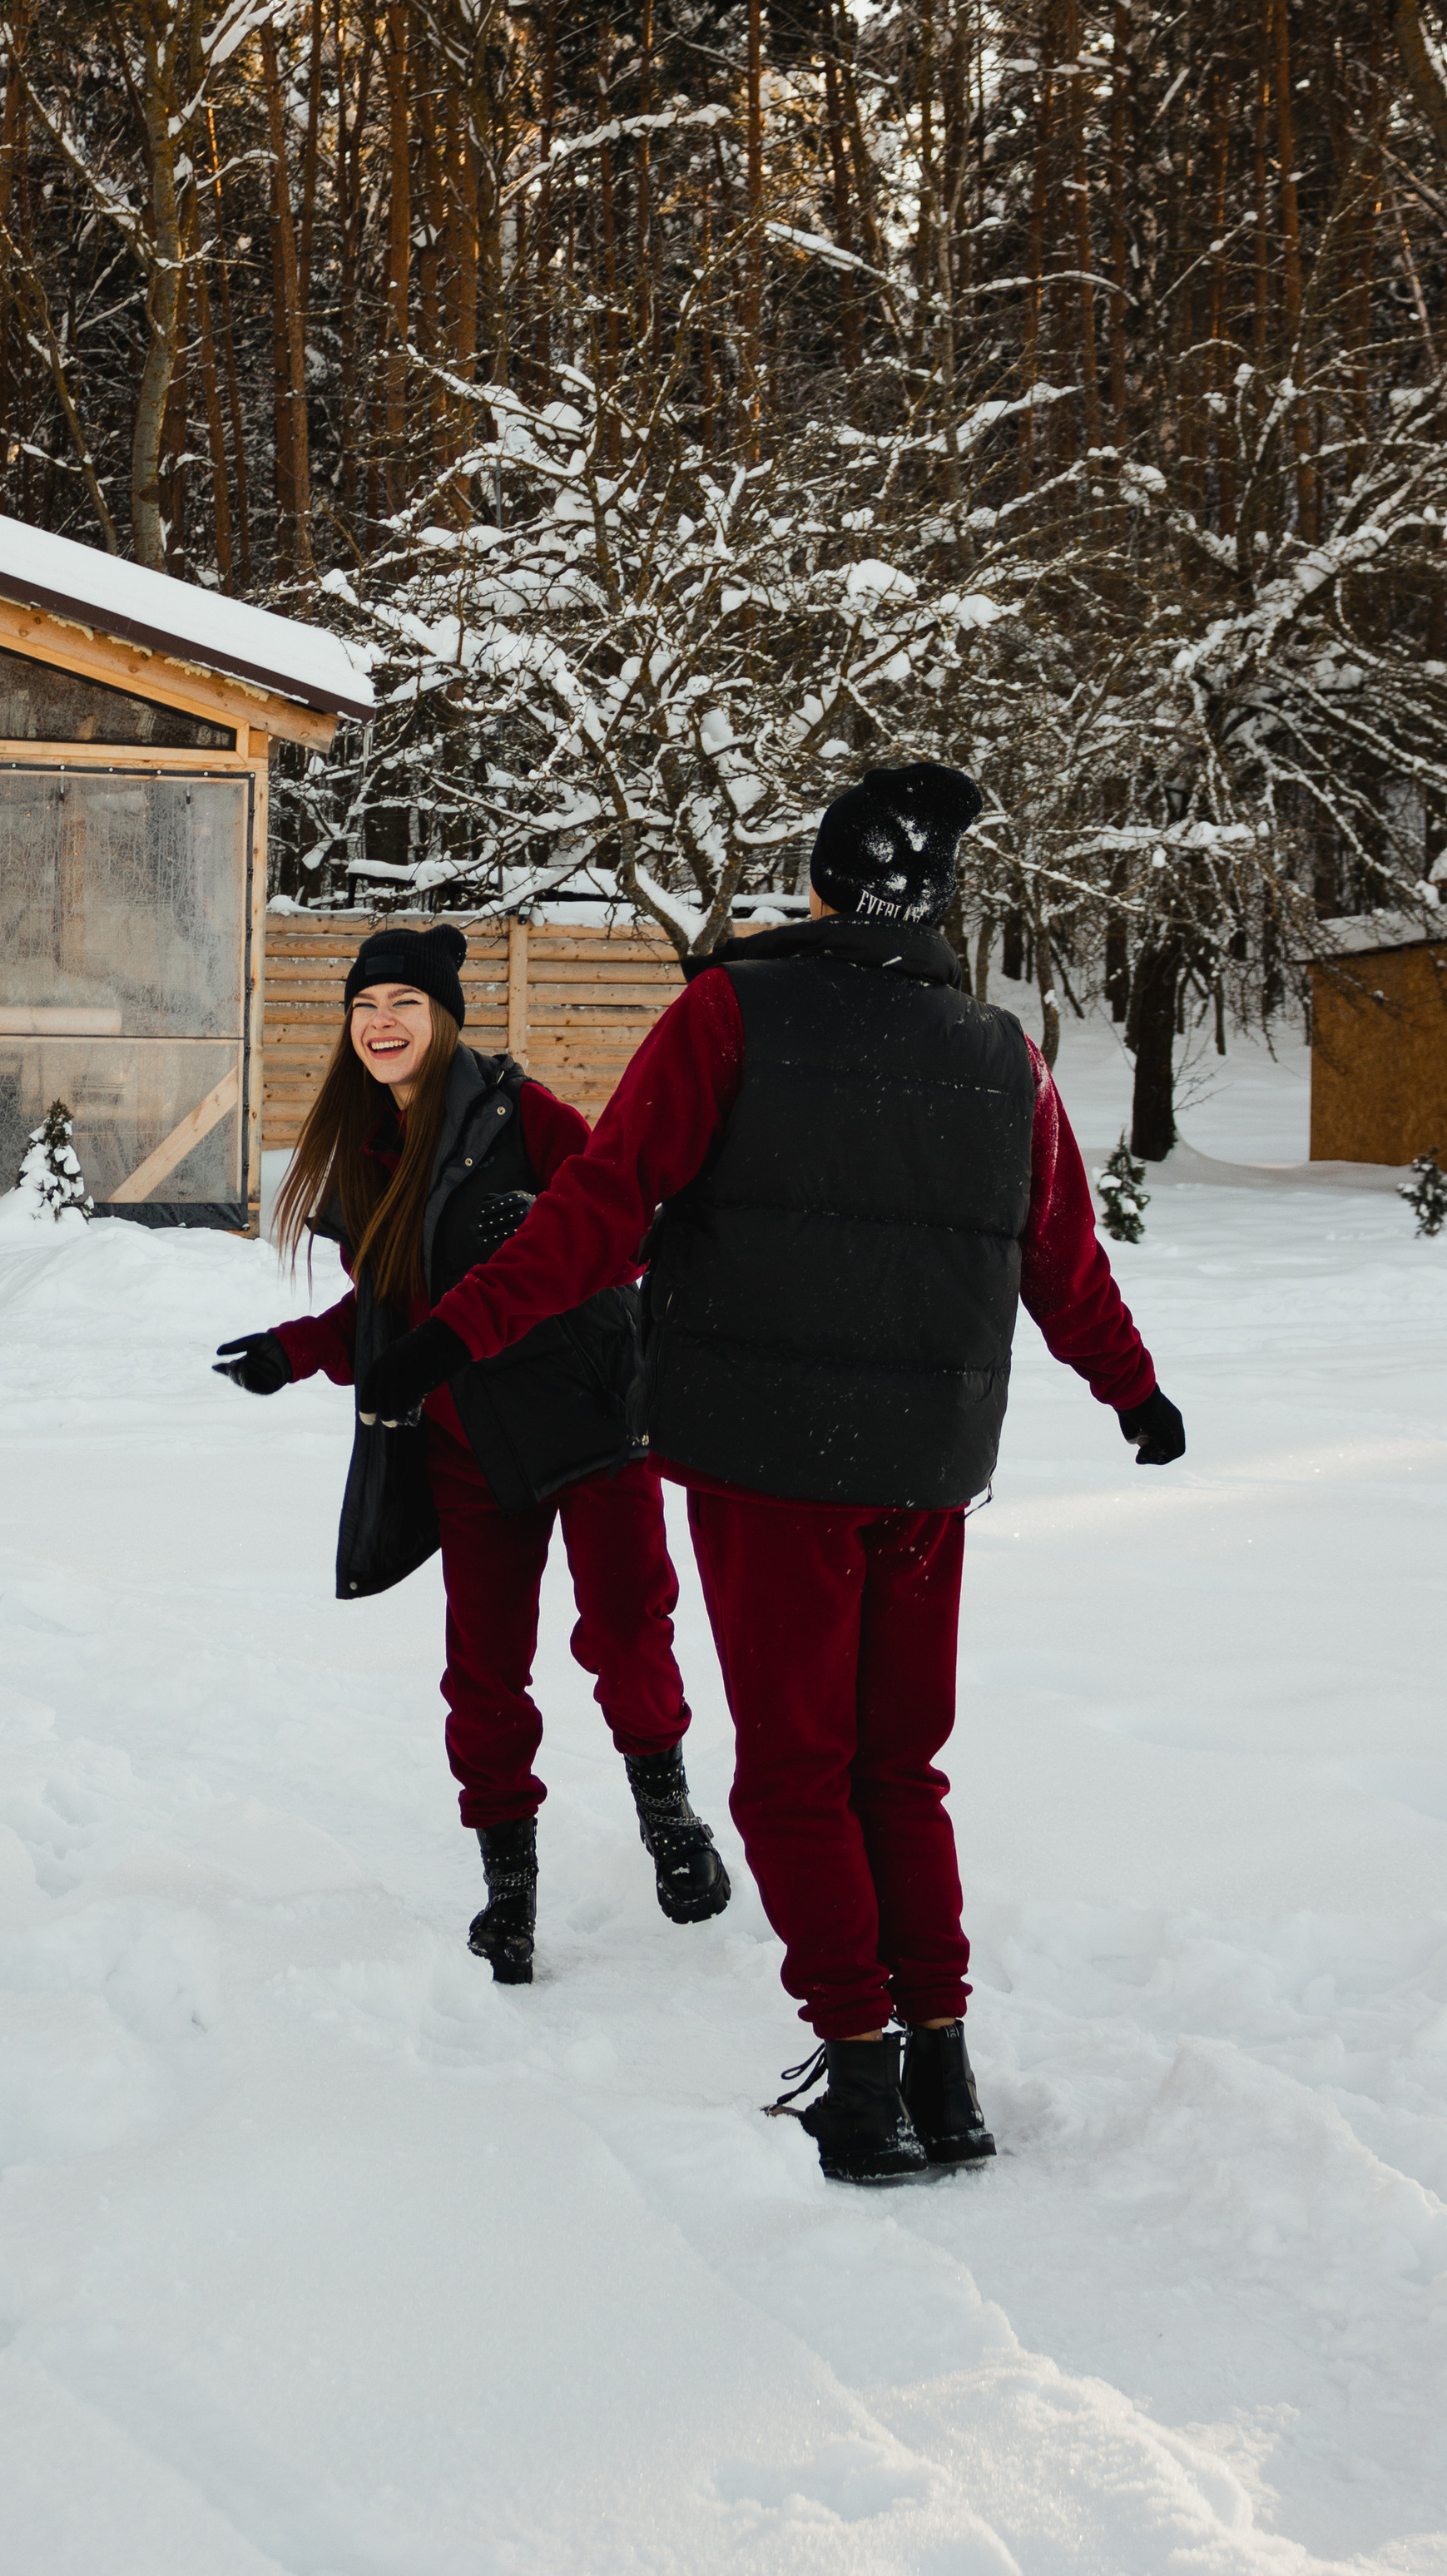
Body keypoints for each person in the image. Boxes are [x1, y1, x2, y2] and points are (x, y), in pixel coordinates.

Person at [356, 768, 1185, 2184]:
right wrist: (1133, 1389)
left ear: (814, 890)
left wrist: (454, 1330)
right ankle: (945, 2062)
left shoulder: (730, 1014)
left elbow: (601, 1212)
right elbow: (1062, 1255)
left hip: (770, 1470)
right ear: (931, 907)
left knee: (800, 1778)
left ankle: (862, 2081)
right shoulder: (1000, 1050)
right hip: (927, 1478)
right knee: (899, 1770)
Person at [212, 919, 731, 1985]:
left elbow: (623, 1226)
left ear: (445, 1019)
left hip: (588, 1412)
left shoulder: (523, 1113)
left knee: (625, 1630)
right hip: (464, 1438)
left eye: (402, 1004)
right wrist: (297, 1352)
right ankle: (509, 1885)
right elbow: (389, 1300)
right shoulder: (364, 1145)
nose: (380, 1023)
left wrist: (536, 1215)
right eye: (363, 1007)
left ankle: (668, 1813)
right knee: (483, 1672)